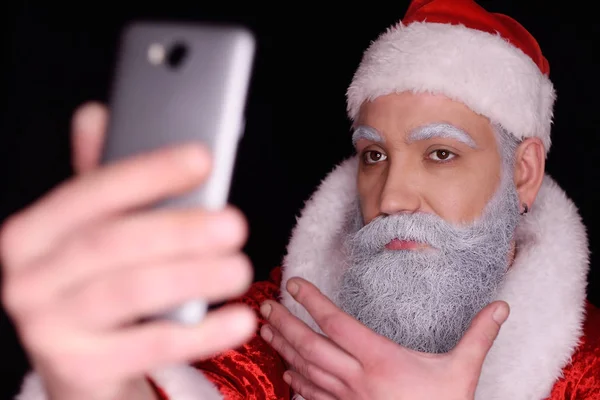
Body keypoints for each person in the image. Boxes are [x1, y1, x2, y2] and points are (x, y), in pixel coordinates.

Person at [5, 0, 600, 399]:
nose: (391, 195)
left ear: (523, 173)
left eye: (440, 153)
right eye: (374, 154)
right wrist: (92, 384)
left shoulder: (590, 366)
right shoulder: (280, 326)